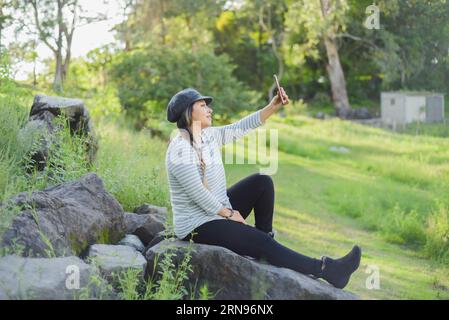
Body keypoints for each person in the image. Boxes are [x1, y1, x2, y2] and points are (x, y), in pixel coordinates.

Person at [165, 87, 361, 289]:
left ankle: (265, 246)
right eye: (203, 105)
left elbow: (241, 127)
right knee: (261, 242)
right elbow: (198, 194)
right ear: (189, 112)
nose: (209, 110)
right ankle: (326, 269)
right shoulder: (179, 148)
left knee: (262, 183)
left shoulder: (207, 136)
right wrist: (229, 213)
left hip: (215, 212)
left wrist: (272, 107)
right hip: (196, 225)